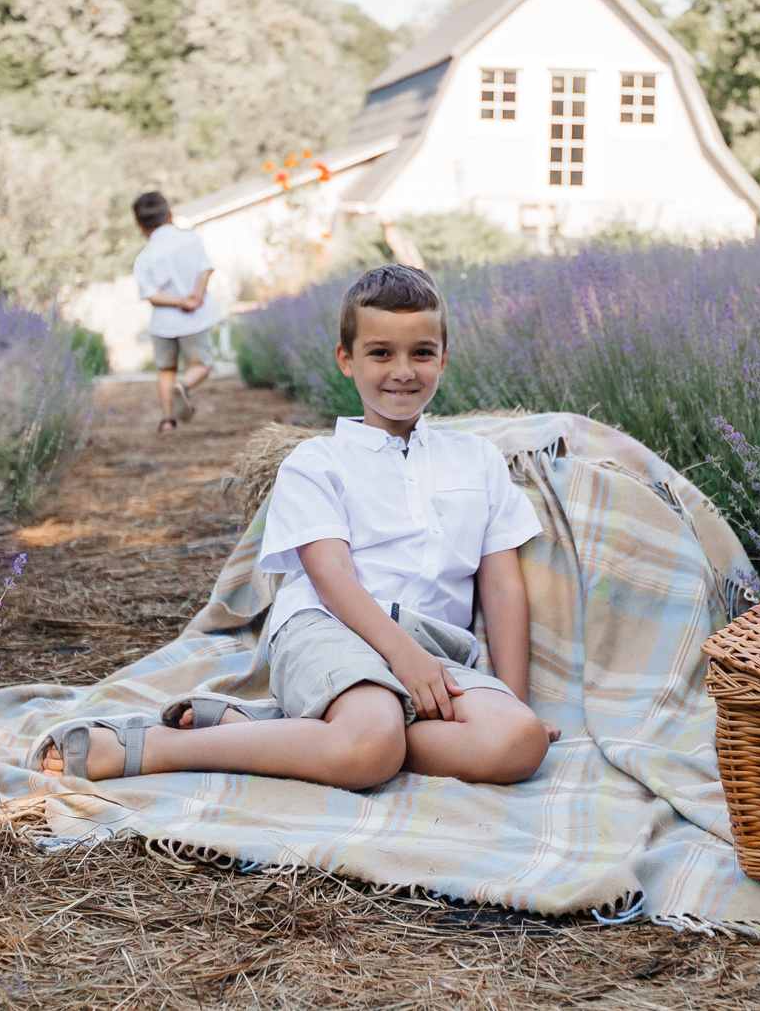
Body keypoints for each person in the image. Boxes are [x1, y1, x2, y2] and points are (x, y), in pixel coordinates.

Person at [33, 264, 557, 789]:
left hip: (434, 646)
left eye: (421, 352)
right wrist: (403, 657)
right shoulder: (317, 462)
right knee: (370, 742)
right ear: (346, 360)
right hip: (330, 626)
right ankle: (158, 746)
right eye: (380, 353)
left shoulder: (478, 459)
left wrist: (515, 700)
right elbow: (331, 577)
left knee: (519, 741)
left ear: (443, 358)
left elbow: (502, 585)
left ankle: (278, 732)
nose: (403, 370)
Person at [131, 191, 225, 433]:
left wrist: (178, 301)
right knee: (201, 365)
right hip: (194, 319)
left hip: (163, 323)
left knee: (166, 369)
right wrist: (196, 297)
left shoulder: (144, 257)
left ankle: (167, 421)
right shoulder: (191, 240)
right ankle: (183, 386)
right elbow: (205, 270)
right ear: (170, 214)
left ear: (140, 226)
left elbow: (151, 295)